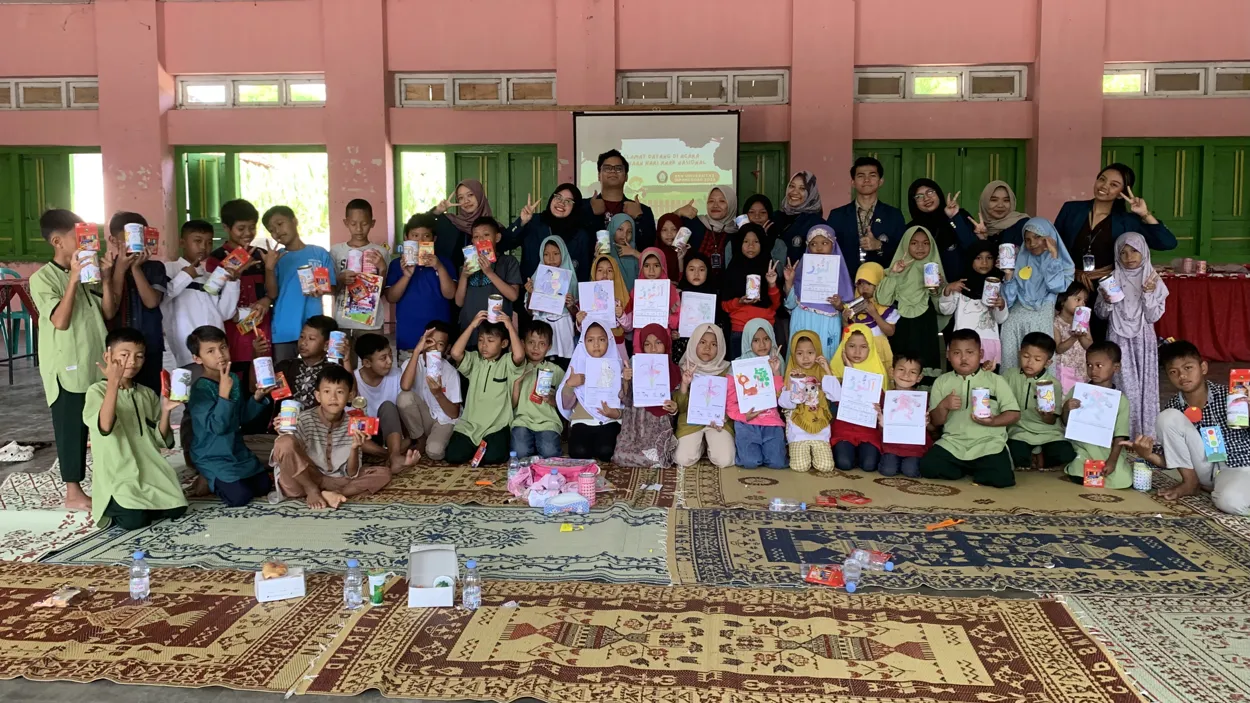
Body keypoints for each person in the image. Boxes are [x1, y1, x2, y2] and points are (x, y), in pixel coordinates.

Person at [30, 209, 116, 512]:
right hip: (66, 364)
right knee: (71, 427)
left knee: (103, 422)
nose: (85, 242)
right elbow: (61, 321)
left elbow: (107, 312)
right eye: (77, 237)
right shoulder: (43, 278)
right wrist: (73, 279)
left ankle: (108, 480)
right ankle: (73, 492)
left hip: (95, 358)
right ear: (57, 241)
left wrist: (106, 280)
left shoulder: (88, 271)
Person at [1127, 340, 1250, 514]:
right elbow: (1173, 457)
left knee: (1229, 502)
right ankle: (1190, 483)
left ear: (1203, 368)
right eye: (1173, 372)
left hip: (1238, 465)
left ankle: (1229, 488)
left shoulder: (1231, 396)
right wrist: (1147, 455)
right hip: (1203, 469)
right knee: (1167, 417)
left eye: (1188, 368)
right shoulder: (1174, 407)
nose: (1182, 376)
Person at [84, 327, 188, 529]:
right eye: (124, 355)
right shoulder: (96, 391)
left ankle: (141, 503)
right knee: (135, 521)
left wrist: (166, 411)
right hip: (119, 472)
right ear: (107, 356)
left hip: (149, 469)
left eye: (139, 356)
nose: (132, 361)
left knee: (177, 508)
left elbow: (161, 440)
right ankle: (111, 504)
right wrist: (113, 384)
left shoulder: (146, 394)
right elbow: (105, 426)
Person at [272, 365, 395, 510]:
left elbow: (351, 473)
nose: (333, 398)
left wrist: (355, 448)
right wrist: (284, 433)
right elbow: (288, 454)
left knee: (383, 474)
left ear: (350, 396)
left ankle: (330, 494)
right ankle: (313, 490)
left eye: (340, 392)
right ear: (318, 396)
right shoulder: (303, 419)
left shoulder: (354, 423)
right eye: (327, 391)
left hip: (336, 480)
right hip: (301, 482)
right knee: (284, 442)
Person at [920, 329, 1021, 487]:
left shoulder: (996, 380)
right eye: (957, 353)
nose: (963, 358)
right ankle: (971, 469)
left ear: (981, 354)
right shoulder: (942, 382)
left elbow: (1014, 414)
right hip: (953, 443)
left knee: (1002, 479)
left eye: (970, 352)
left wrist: (993, 421)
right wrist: (944, 405)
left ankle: (971, 468)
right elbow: (936, 422)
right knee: (928, 467)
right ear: (948, 355)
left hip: (988, 444)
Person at [1054, 163, 1177, 292]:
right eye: (1102, 179)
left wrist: (1145, 214)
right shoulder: (1071, 209)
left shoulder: (1127, 221)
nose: (1104, 186)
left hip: (1109, 287)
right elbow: (1055, 244)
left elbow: (1168, 242)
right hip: (1070, 284)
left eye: (1114, 185)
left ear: (1120, 194)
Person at [185, 325, 273, 507]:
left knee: (263, 486)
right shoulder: (199, 390)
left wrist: (257, 397)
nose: (220, 355)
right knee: (239, 497)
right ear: (197, 358)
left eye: (223, 347)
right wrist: (223, 395)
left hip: (236, 449)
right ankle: (207, 476)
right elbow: (218, 427)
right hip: (211, 454)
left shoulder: (232, 379)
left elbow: (242, 418)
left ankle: (217, 479)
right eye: (210, 351)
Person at [1096, 232, 1168, 439]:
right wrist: (1106, 301)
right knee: (1123, 384)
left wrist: (1148, 293)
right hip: (1117, 338)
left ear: (1144, 251)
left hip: (1143, 338)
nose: (1129, 257)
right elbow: (1101, 314)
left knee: (1145, 385)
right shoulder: (1112, 279)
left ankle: (1144, 434)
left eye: (1134, 251)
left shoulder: (1153, 279)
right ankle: (1122, 434)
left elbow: (1153, 316)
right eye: (1123, 252)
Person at [206, 199, 277, 389]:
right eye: (241, 228)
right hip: (232, 333)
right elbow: (212, 295)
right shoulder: (216, 259)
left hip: (260, 331)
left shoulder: (261, 255)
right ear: (226, 228)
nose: (247, 233)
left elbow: (272, 292)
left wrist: (267, 298)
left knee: (262, 382)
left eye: (252, 227)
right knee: (235, 382)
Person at [445, 311, 525, 464]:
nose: (484, 345)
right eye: (481, 340)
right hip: (470, 425)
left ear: (504, 344)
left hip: (496, 426)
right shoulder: (475, 360)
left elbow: (519, 356)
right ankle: (476, 448)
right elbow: (455, 353)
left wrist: (509, 326)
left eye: (490, 340)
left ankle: (481, 449)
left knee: (493, 457)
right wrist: (472, 325)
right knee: (453, 456)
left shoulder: (507, 362)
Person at [162, 220, 240, 369]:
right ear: (182, 242)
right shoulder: (169, 269)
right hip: (185, 352)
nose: (204, 247)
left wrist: (232, 282)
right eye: (197, 241)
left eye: (209, 242)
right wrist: (185, 276)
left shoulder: (210, 276)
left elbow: (225, 313)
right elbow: (161, 299)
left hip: (215, 352)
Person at [264, 206, 336, 364]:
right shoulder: (276, 258)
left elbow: (334, 288)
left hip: (314, 330)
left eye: (280, 224)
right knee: (283, 374)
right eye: (271, 230)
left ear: (294, 221)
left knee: (316, 373)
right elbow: (272, 294)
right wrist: (269, 268)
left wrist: (323, 289)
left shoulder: (319, 253)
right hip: (284, 330)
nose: (277, 232)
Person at [1000, 218, 1074, 372]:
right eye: (1027, 240)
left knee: (1039, 368)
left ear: (1050, 237)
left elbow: (1056, 286)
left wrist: (1053, 256)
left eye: (1037, 237)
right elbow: (1008, 301)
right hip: (1013, 324)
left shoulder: (1063, 264)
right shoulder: (1020, 260)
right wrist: (1008, 275)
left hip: (1040, 323)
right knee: (1011, 369)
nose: (1032, 243)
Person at [104, 212, 167, 393]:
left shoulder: (155, 268)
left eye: (139, 238)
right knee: (119, 394)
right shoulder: (106, 268)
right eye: (128, 238)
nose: (134, 243)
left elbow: (151, 302)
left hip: (149, 346)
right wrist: (119, 269)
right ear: (113, 240)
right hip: (118, 348)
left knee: (150, 393)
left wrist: (136, 268)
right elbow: (109, 310)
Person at [385, 213, 457, 362]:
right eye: (415, 236)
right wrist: (406, 276)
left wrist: (439, 267)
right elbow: (391, 297)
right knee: (408, 376)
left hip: (439, 342)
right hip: (409, 340)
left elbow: (450, 294)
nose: (420, 241)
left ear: (434, 239)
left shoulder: (444, 263)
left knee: (439, 376)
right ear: (406, 238)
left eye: (426, 236)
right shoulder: (397, 264)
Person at [1060, 341, 1131, 488]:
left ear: (1116, 367)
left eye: (1099, 365)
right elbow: (1066, 423)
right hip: (1082, 445)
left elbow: (1120, 435)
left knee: (1122, 480)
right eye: (1089, 365)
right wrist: (1066, 409)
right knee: (1078, 470)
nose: (1093, 370)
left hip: (1107, 448)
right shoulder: (1078, 391)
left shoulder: (1121, 401)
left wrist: (1112, 461)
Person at [876, 226, 944, 379]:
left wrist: (935, 289)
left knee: (925, 359)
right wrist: (894, 273)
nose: (920, 247)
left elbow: (942, 307)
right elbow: (883, 300)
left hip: (925, 322)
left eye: (925, 243)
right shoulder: (896, 269)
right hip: (901, 322)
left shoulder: (934, 268)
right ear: (906, 244)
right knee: (900, 362)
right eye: (914, 243)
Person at [1005, 332, 1076, 470]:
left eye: (1037, 359)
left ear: (1048, 362)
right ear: (1019, 354)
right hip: (1020, 431)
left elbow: (1051, 421)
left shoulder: (1053, 384)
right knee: (1013, 453)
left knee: (1065, 453)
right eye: (1026, 356)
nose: (1030, 363)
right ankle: (1034, 457)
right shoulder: (1010, 376)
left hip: (1049, 433)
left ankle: (1039, 457)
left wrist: (1046, 415)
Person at [613, 323, 680, 468]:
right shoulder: (635, 366)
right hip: (636, 425)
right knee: (620, 455)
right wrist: (626, 380)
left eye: (658, 343)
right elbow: (627, 400)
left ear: (666, 343)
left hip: (660, 423)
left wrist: (674, 409)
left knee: (659, 457)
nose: (653, 349)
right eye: (647, 344)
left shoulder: (675, 371)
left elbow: (680, 405)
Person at [559, 322, 627, 463]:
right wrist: (570, 384)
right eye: (590, 340)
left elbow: (626, 401)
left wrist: (616, 413)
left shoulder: (617, 366)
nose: (596, 345)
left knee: (606, 451)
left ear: (609, 341)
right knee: (578, 452)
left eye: (601, 339)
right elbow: (566, 405)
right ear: (583, 343)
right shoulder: (576, 367)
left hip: (609, 420)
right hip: (583, 420)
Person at [782, 224, 854, 356]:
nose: (819, 248)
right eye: (813, 244)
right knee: (801, 359)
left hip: (828, 322)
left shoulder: (841, 275)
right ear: (808, 247)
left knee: (825, 358)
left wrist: (839, 306)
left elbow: (849, 312)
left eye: (825, 243)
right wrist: (789, 282)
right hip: (803, 320)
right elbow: (790, 305)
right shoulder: (800, 272)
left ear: (833, 244)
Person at [938, 241, 1010, 369]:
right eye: (978, 258)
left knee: (987, 378)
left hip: (987, 344)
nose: (984, 262)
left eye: (989, 258)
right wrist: (948, 290)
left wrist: (1001, 305)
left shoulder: (997, 285)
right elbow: (946, 310)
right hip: (962, 344)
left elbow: (1000, 319)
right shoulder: (961, 285)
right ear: (970, 259)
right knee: (960, 378)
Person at [353, 333, 417, 472]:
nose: (389, 361)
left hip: (393, 432)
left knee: (388, 406)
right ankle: (392, 455)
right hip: (367, 435)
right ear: (367, 363)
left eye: (390, 355)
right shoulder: (354, 381)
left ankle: (394, 454)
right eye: (383, 358)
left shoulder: (397, 376)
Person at [330, 199, 389, 352]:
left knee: (374, 363)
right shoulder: (336, 251)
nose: (359, 229)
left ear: (372, 223)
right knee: (344, 364)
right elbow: (332, 289)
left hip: (371, 324)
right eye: (353, 224)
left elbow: (382, 293)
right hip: (342, 322)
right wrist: (340, 280)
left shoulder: (381, 252)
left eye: (364, 224)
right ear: (346, 223)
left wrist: (382, 269)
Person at [397, 322, 461, 462]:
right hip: (423, 418)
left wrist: (438, 393)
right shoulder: (412, 363)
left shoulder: (450, 372)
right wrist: (417, 351)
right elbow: (405, 387)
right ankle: (419, 439)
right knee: (404, 397)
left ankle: (443, 440)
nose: (433, 347)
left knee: (434, 452)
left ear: (447, 349)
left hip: (443, 420)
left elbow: (453, 413)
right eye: (429, 341)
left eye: (440, 344)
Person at [673, 324, 735, 468]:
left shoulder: (727, 370)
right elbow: (680, 407)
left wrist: (724, 417)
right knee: (682, 459)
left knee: (725, 460)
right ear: (694, 342)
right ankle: (700, 447)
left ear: (720, 347)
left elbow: (733, 401)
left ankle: (710, 442)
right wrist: (684, 384)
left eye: (714, 344)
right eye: (702, 342)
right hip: (690, 422)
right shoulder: (684, 368)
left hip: (718, 423)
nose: (707, 348)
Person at [826, 157, 906, 267]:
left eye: (872, 175)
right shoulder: (837, 215)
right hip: (846, 276)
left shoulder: (894, 215)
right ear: (853, 182)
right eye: (861, 176)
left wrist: (879, 245)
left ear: (880, 181)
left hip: (882, 276)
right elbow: (828, 250)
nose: (866, 180)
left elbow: (903, 250)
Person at [727, 320, 786, 470]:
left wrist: (776, 372)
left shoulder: (776, 362)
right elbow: (730, 403)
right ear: (748, 341)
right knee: (750, 462)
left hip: (771, 421)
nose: (762, 344)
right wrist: (744, 417)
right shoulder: (737, 367)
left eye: (766, 339)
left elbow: (781, 397)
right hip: (746, 423)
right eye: (756, 340)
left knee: (777, 463)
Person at [455, 216, 522, 350]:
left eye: (486, 235)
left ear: (497, 238)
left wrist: (489, 272)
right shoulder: (467, 265)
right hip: (470, 330)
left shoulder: (508, 262)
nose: (481, 240)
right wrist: (464, 276)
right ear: (472, 241)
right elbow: (459, 302)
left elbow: (513, 295)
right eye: (476, 236)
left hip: (497, 334)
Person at [829, 324, 888, 472]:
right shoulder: (834, 371)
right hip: (843, 429)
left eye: (863, 347)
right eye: (851, 346)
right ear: (843, 348)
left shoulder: (877, 374)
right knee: (844, 463)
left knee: (869, 465)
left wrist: (879, 409)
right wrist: (848, 370)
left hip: (868, 430)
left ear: (870, 348)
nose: (857, 352)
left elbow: (885, 407)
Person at [778, 330, 837, 473]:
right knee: (800, 466)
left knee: (825, 466)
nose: (805, 358)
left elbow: (836, 396)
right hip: (798, 431)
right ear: (793, 354)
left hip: (820, 430)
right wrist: (793, 384)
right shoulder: (792, 373)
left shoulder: (823, 373)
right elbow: (785, 404)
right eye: (800, 353)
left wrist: (827, 370)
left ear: (818, 352)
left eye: (810, 353)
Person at [720, 224, 780, 360]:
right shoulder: (733, 269)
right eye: (746, 241)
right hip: (740, 329)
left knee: (767, 370)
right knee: (741, 371)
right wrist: (739, 302)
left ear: (762, 244)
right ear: (739, 244)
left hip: (764, 330)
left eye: (756, 241)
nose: (750, 246)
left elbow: (776, 305)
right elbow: (724, 305)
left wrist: (771, 284)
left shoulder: (768, 268)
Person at [512, 184, 592, 282]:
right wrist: (521, 223)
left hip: (567, 291)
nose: (561, 203)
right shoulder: (533, 222)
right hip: (529, 289)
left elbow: (583, 273)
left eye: (568, 201)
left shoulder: (580, 235)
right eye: (558, 197)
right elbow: (504, 244)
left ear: (575, 207)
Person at [579, 150, 656, 250]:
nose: (613, 171)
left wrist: (639, 218)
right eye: (607, 168)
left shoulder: (642, 211)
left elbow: (649, 247)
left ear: (626, 176)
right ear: (599, 175)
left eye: (618, 169)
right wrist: (589, 212)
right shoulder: (583, 206)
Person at [510, 320, 565, 459]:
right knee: (520, 453)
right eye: (531, 342)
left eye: (542, 344)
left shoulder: (556, 371)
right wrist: (517, 383)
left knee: (550, 453)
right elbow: (511, 404)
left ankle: (537, 447)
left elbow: (566, 402)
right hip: (522, 420)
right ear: (522, 343)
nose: (536, 348)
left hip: (548, 422)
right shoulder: (517, 368)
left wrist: (552, 400)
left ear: (549, 346)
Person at [905, 178, 977, 280]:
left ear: (938, 193)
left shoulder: (959, 216)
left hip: (962, 284)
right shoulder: (912, 229)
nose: (926, 198)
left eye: (930, 192)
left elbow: (973, 248)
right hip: (926, 286)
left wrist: (954, 217)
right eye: (919, 196)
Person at [523, 236, 578, 362]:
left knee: (562, 364)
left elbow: (577, 316)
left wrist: (570, 305)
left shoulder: (570, 281)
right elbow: (530, 312)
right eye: (546, 254)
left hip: (563, 329)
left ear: (563, 254)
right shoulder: (535, 279)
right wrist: (530, 293)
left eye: (556, 254)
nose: (551, 259)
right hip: (541, 329)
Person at [879, 352, 929, 478]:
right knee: (888, 470)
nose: (906, 375)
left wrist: (926, 422)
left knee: (910, 471)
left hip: (914, 446)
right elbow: (880, 429)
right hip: (891, 445)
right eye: (901, 369)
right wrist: (882, 423)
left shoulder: (921, 400)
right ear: (892, 372)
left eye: (913, 372)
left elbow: (932, 427)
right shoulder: (886, 398)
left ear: (919, 377)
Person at [674, 186, 738, 282]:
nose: (715, 205)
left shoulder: (737, 234)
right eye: (711, 201)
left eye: (722, 201)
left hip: (724, 289)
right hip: (691, 287)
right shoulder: (692, 223)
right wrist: (678, 212)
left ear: (731, 204)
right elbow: (667, 231)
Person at [274, 315, 339, 410]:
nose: (303, 342)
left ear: (326, 345)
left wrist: (346, 360)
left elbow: (350, 398)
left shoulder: (334, 372)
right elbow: (259, 390)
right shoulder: (285, 367)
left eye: (311, 338)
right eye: (301, 336)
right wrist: (258, 354)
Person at [842, 262, 899, 370]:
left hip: (879, 350)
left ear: (879, 284)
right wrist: (845, 320)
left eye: (869, 283)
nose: (864, 287)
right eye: (860, 284)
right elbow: (847, 333)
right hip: (856, 353)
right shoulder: (852, 307)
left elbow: (890, 332)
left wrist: (874, 314)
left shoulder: (885, 308)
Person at [430, 179, 495, 269]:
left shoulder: (494, 226)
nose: (466, 201)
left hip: (487, 276)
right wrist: (437, 211)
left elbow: (509, 242)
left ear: (479, 195)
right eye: (461, 198)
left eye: (470, 195)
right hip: (449, 275)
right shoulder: (449, 221)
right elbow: (420, 226)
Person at [577, 254, 632, 358]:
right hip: (593, 347)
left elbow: (629, 328)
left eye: (610, 270)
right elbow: (582, 329)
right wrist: (579, 322)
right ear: (594, 273)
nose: (605, 274)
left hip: (617, 345)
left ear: (616, 273)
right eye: (600, 270)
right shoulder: (586, 296)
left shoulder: (623, 297)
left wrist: (621, 316)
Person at [672, 252, 722, 364]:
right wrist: (673, 333)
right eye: (691, 269)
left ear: (708, 272)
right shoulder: (677, 296)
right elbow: (672, 322)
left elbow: (720, 327)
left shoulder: (715, 297)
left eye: (701, 270)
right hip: (682, 349)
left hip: (707, 351)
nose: (696, 274)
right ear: (685, 272)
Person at [627, 247, 680, 340]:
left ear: (663, 266)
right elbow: (629, 320)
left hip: (662, 336)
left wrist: (667, 317)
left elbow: (675, 320)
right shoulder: (636, 291)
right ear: (641, 267)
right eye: (646, 266)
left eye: (656, 266)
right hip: (640, 336)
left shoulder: (671, 290)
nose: (651, 270)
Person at [774, 171, 827, 262]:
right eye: (792, 186)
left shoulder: (817, 224)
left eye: (802, 188)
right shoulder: (775, 217)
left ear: (811, 193)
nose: (795, 192)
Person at [1052, 282, 1093, 394]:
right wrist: (1074, 337)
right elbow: (1059, 349)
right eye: (1078, 299)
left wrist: (1081, 336)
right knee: (1065, 396)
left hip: (1080, 368)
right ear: (1063, 301)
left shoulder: (1084, 322)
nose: (1082, 304)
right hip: (1064, 369)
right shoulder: (1056, 322)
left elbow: (1090, 346)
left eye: (1084, 301)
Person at [739, 194, 787, 269]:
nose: (757, 216)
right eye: (751, 212)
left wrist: (763, 240)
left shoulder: (778, 244)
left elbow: (778, 272)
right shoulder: (735, 241)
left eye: (763, 212)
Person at [977, 181, 1029, 248]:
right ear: (984, 202)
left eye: (1006, 200)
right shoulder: (981, 229)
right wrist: (983, 240)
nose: (1000, 205)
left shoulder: (1024, 225)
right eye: (994, 200)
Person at [607, 212, 642, 290]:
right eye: (620, 229)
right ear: (612, 229)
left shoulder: (634, 251)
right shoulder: (605, 251)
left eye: (629, 231)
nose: (624, 235)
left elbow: (651, 267)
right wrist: (597, 258)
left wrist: (633, 252)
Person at [653, 213, 685, 281]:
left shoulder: (686, 253)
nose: (669, 234)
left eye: (674, 229)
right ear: (659, 232)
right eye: (664, 230)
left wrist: (680, 260)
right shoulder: (652, 253)